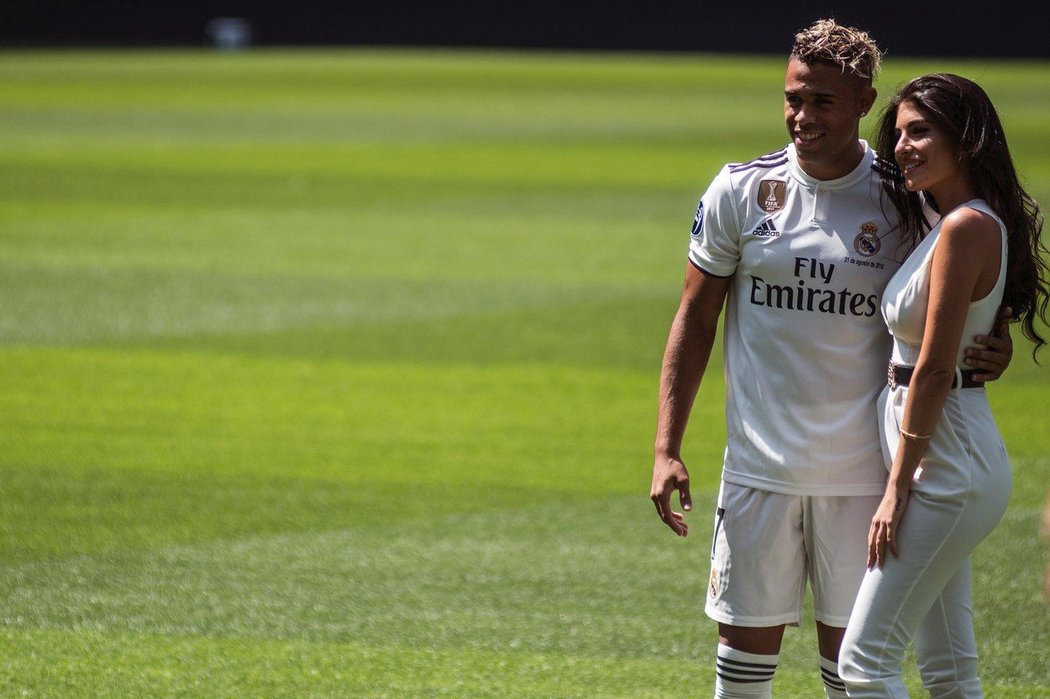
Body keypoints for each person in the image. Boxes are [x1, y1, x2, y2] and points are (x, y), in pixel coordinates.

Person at [649, 20, 1014, 699]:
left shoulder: (906, 198)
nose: (801, 115)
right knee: (740, 670)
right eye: (793, 97)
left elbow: (972, 271)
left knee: (852, 671)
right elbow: (695, 318)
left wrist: (995, 342)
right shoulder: (739, 191)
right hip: (758, 468)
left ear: (863, 102)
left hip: (864, 476)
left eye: (821, 101)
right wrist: (667, 444)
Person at [837, 72, 1049, 697]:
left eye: (921, 131)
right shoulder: (950, 217)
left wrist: (897, 489)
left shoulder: (964, 227)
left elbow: (931, 368)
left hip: (946, 468)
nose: (903, 146)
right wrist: (1002, 325)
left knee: (864, 663)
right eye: (899, 134)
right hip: (949, 457)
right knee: (950, 668)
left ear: (967, 140)